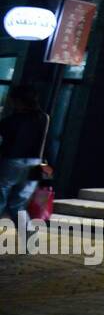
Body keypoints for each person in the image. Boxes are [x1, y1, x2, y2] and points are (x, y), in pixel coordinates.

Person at [0, 86, 49, 226]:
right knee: (18, 205)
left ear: (18, 101)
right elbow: (47, 144)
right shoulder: (44, 118)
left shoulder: (10, 121)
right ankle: (30, 243)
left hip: (12, 161)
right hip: (35, 163)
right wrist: (47, 171)